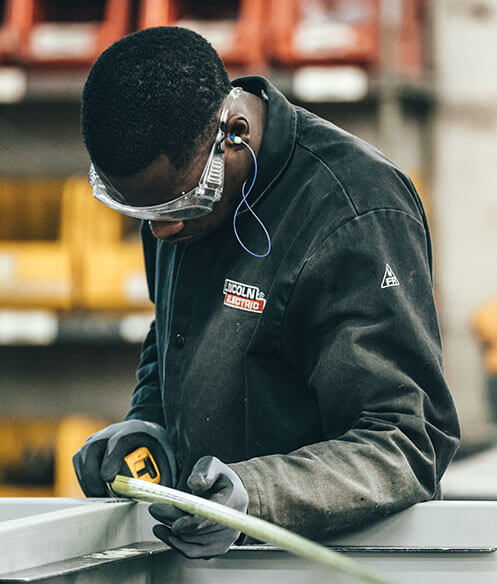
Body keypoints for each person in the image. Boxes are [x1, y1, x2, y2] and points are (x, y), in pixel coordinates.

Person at [72, 26, 460, 559]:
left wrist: (258, 497)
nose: (162, 233)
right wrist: (149, 426)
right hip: (213, 562)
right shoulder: (175, 193)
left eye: (180, 208)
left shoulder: (355, 211)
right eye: (146, 215)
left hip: (327, 564)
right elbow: (174, 332)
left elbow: (404, 443)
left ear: (233, 132)